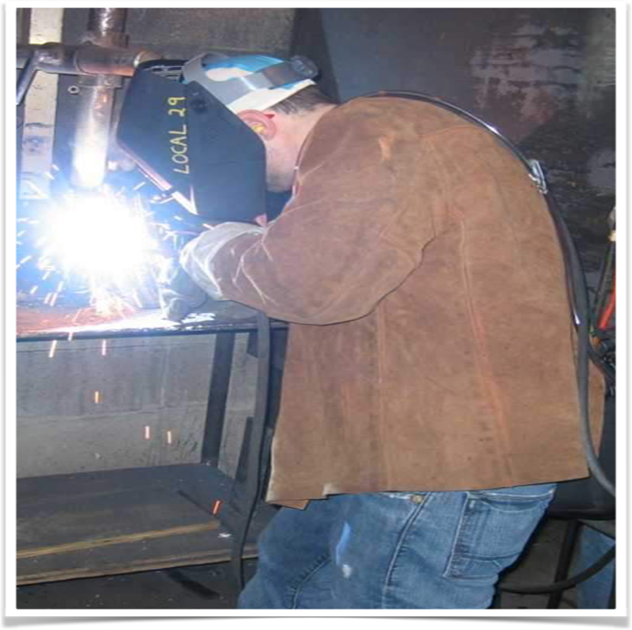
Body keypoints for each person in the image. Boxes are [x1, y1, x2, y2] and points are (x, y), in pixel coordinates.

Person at [174, 54, 603, 609]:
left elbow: (308, 285)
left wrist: (208, 248)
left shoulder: (372, 136)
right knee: (289, 590)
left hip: (443, 466)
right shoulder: (382, 141)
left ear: (259, 124)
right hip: (383, 453)